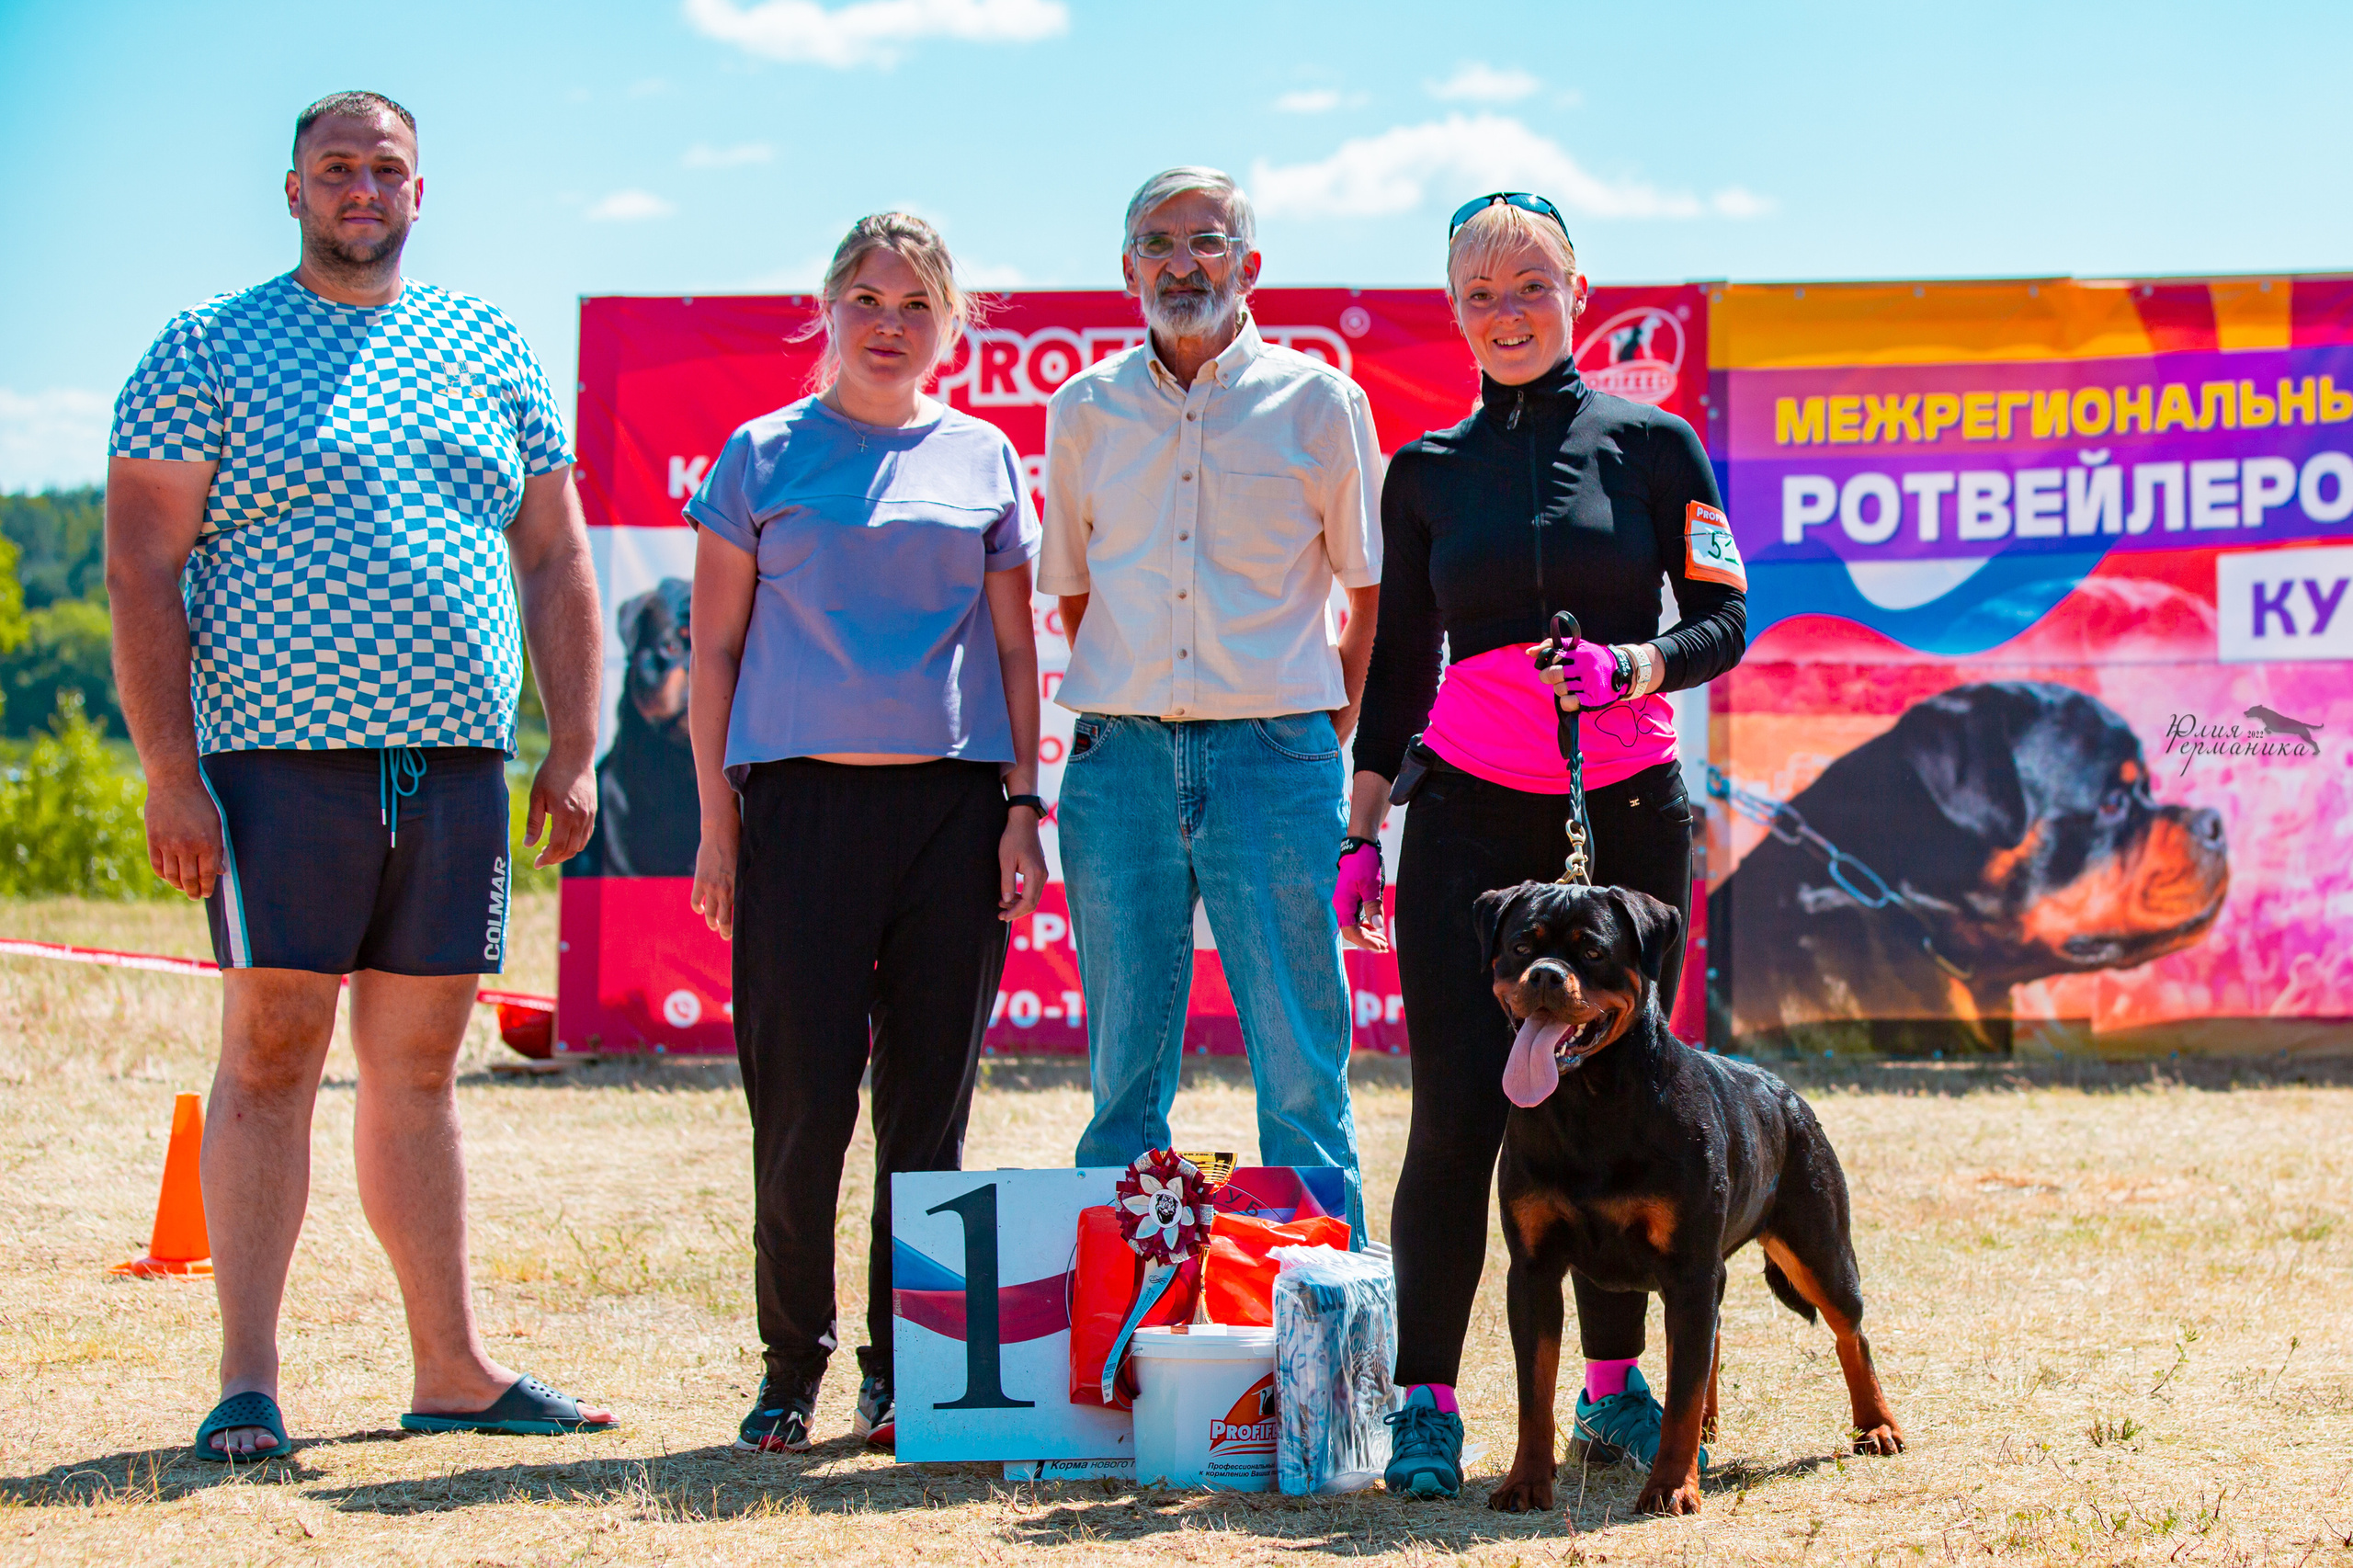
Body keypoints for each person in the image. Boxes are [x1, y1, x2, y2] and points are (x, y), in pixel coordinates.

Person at [107, 91, 611, 1461]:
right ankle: (247, 1381)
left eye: (385, 168)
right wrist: (169, 772)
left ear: (418, 191)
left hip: (454, 766)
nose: (361, 188)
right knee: (272, 1053)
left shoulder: (488, 341)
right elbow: (142, 564)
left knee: (422, 1070)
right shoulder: (204, 345)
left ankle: (452, 1367)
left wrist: (572, 745)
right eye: (336, 168)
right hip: (274, 767)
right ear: (293, 190)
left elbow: (555, 555)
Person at [1342, 193, 1748, 1497]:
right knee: (1459, 1108)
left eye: (1531, 285)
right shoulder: (1425, 470)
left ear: (1579, 292)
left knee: (1618, 1099)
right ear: (1453, 310)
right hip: (1467, 818)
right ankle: (1425, 1405)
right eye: (1480, 292)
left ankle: (1615, 1392)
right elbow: (1400, 663)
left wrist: (1634, 663)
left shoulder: (1655, 444)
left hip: (1622, 812)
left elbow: (1725, 619)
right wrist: (1363, 823)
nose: (1507, 311)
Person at [686, 213, 1046, 1454]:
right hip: (798, 814)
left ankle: (909, 1367)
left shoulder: (986, 457)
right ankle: (793, 1363)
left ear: (951, 325)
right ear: (828, 309)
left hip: (953, 816)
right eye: (868, 300)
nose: (890, 325)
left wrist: (1020, 807)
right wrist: (719, 825)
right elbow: (715, 653)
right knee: (799, 1110)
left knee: (927, 1114)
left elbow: (1015, 649)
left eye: (916, 305)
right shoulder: (759, 456)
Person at [1039, 167, 1383, 1232]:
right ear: (1127, 267)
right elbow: (1077, 592)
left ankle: (1328, 1320)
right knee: (1121, 1081)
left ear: (1250, 263)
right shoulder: (1081, 409)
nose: (1181, 262)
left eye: (1207, 240)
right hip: (1119, 763)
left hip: (1275, 759)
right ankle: (1122, 1316)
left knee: (1300, 1070)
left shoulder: (1320, 402)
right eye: (1158, 241)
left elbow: (1369, 591)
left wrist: (1318, 728)